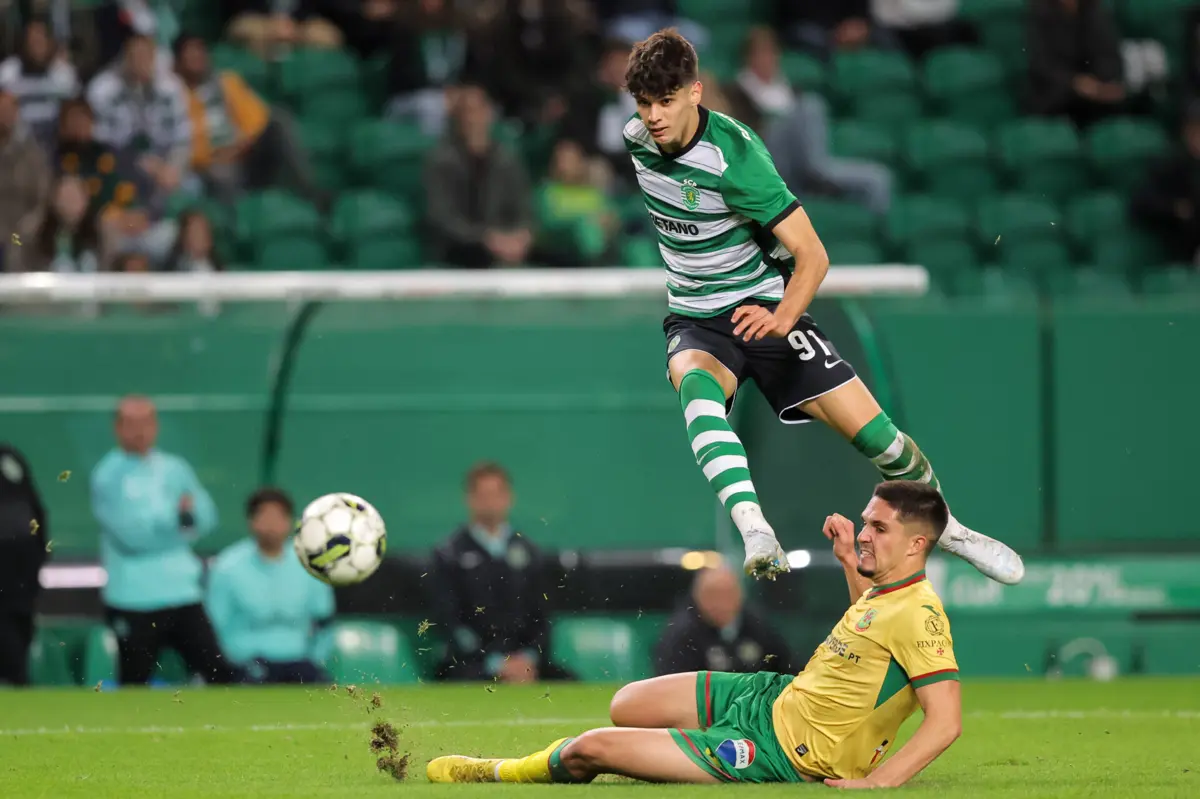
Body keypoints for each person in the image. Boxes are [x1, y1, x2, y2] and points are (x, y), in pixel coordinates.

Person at [610, 28, 1023, 585]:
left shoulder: (736, 158)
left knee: (882, 441)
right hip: (696, 317)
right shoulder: (634, 137)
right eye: (644, 103)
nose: (653, 116)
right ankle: (756, 529)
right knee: (697, 395)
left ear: (695, 92)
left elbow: (813, 256)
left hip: (765, 307)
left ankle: (953, 531)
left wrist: (781, 317)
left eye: (665, 100)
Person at [426, 480, 962, 787]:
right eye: (866, 521)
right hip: (772, 696)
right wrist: (851, 561)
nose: (864, 533)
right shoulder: (885, 594)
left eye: (879, 529)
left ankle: (497, 772)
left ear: (917, 546)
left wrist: (880, 782)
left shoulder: (920, 613)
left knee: (593, 748)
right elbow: (867, 637)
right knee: (626, 704)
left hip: (781, 748)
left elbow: (946, 720)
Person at [90, 395, 239, 685]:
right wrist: (177, 520)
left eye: (146, 421)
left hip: (183, 592)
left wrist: (177, 523)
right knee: (135, 682)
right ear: (117, 428)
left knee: (219, 675)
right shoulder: (107, 476)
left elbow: (207, 516)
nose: (140, 430)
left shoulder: (175, 467)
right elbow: (132, 537)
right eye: (131, 423)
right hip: (133, 598)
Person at [428, 461, 575, 682]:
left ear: (508, 497)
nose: (490, 502)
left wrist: (528, 658)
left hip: (528, 667)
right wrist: (496, 664)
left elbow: (543, 618)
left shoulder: (530, 553)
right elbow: (448, 621)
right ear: (470, 499)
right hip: (472, 667)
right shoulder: (448, 555)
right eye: (483, 495)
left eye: (496, 494)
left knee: (569, 683)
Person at [205, 487, 335, 684]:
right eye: (264, 516)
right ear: (251, 521)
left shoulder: (309, 565)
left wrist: (315, 659)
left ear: (290, 521)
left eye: (279, 517)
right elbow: (215, 626)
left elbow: (324, 622)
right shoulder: (227, 567)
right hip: (248, 664)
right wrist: (233, 662)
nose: (272, 525)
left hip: (300, 661)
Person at [0, 443, 49, 686]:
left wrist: (39, 555)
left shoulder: (9, 457)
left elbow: (35, 508)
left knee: (20, 637)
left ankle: (18, 682)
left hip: (21, 575)